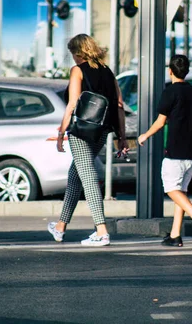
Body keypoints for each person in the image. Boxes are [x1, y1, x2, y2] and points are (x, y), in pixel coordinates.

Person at [48, 34, 128, 247]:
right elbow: (119, 105)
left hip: (82, 131)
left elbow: (73, 103)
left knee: (88, 176)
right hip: (102, 132)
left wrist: (61, 133)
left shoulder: (78, 70)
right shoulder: (107, 71)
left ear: (79, 52)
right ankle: (60, 227)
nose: (73, 58)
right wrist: (122, 137)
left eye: (73, 53)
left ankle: (101, 231)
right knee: (76, 176)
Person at [138, 54, 192, 247]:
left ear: (170, 71)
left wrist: (144, 135)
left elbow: (161, 122)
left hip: (176, 150)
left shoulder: (169, 92)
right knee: (181, 191)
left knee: (171, 189)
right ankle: (175, 235)